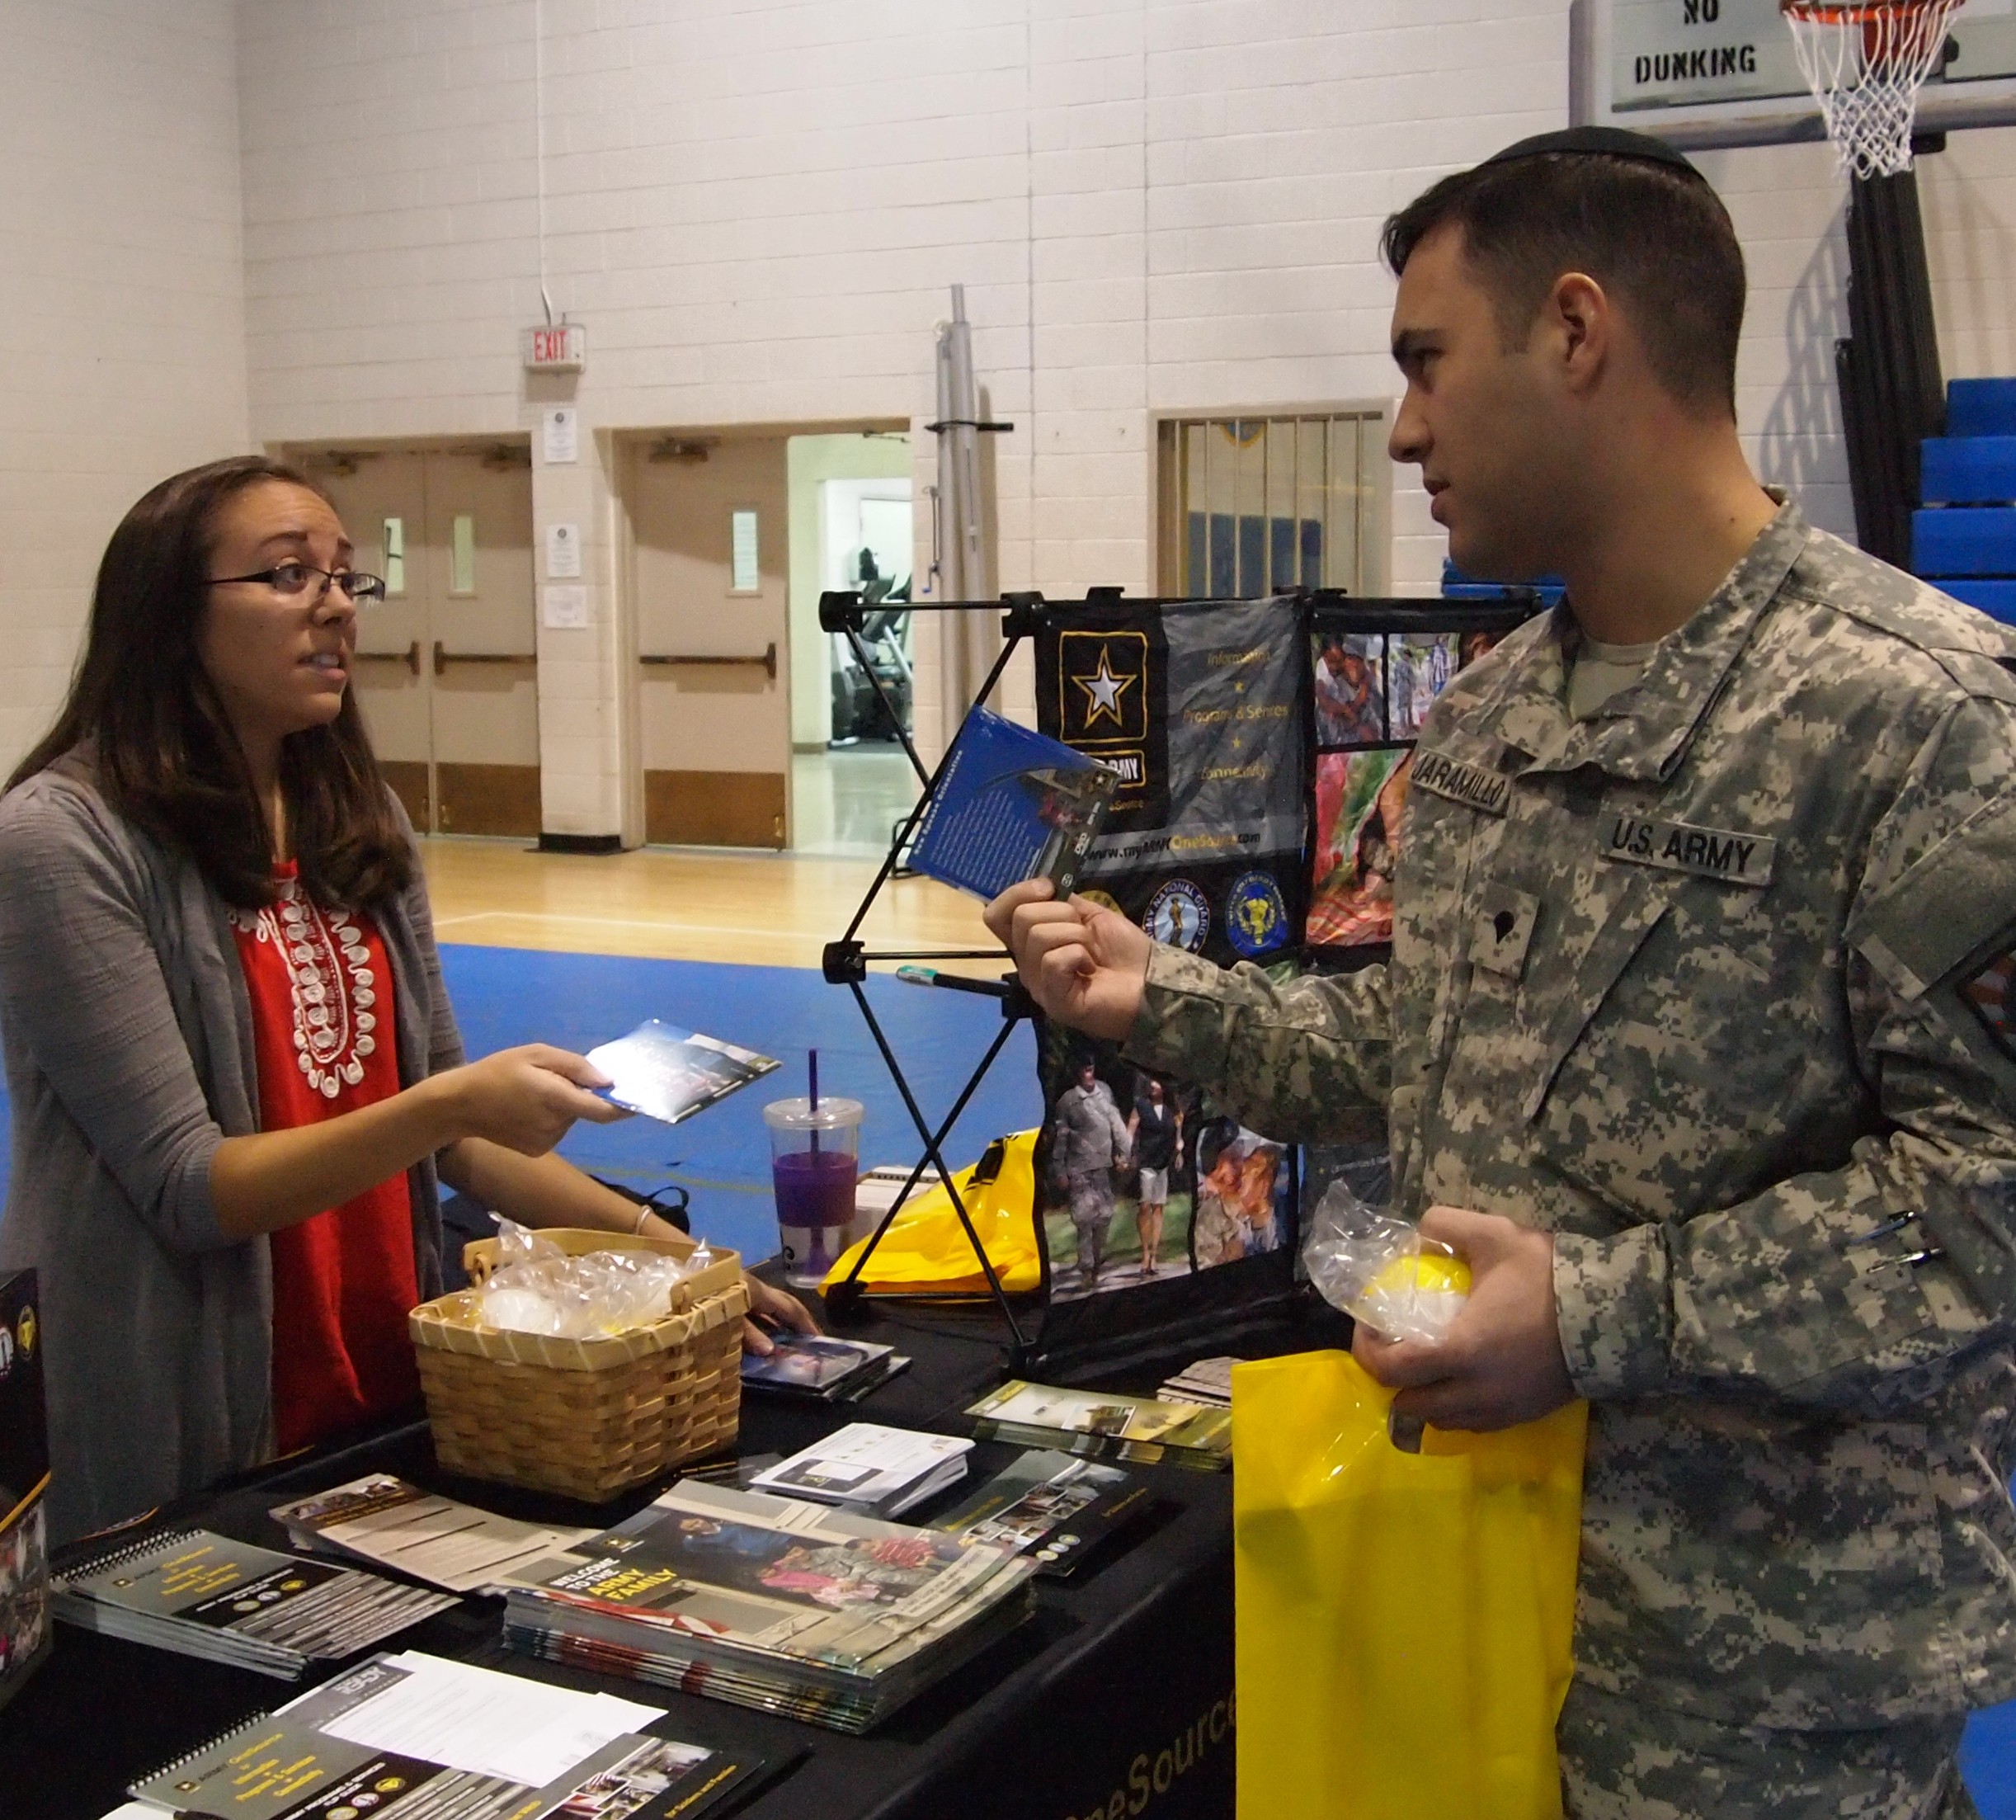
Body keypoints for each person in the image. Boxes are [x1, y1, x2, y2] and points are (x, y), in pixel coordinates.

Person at [989, 128, 2016, 1818]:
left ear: (1574, 330)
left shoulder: (1919, 721)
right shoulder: (1481, 728)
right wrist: (1151, 998)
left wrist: (1601, 1313)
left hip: (1754, 1671)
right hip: (1464, 1576)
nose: (1403, 428)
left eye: (1423, 361)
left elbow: (1988, 1200)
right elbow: (1427, 1034)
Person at [0, 455, 815, 1547]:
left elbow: (458, 1146)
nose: (336, 604)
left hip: (387, 1386)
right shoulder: (63, 840)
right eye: (289, 575)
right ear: (167, 613)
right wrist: (450, 1105)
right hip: (197, 1412)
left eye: (347, 578)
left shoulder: (353, 815)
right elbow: (192, 1188)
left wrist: (677, 1259)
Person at [1048, 1060, 1131, 1290]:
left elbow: (1116, 1125)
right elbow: (1061, 1138)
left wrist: (1123, 1154)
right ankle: (1086, 1268)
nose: (1088, 1073)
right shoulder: (1068, 1101)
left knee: (1104, 1217)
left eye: (1091, 1068)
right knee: (1084, 1220)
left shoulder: (1105, 1092)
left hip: (1102, 1167)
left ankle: (1095, 1260)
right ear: (1077, 1073)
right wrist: (1060, 1170)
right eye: (1084, 1069)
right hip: (1079, 1168)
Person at [1127, 1075, 1181, 1275]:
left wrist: (1179, 1148)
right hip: (1146, 1162)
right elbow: (1130, 1131)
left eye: (1157, 1082)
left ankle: (1155, 1255)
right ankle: (1145, 1253)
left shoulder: (1171, 1109)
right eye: (1151, 1083)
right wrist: (1126, 1154)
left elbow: (1179, 1130)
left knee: (1159, 1207)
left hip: (1163, 1163)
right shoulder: (1141, 1106)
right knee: (1144, 1205)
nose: (1153, 1085)